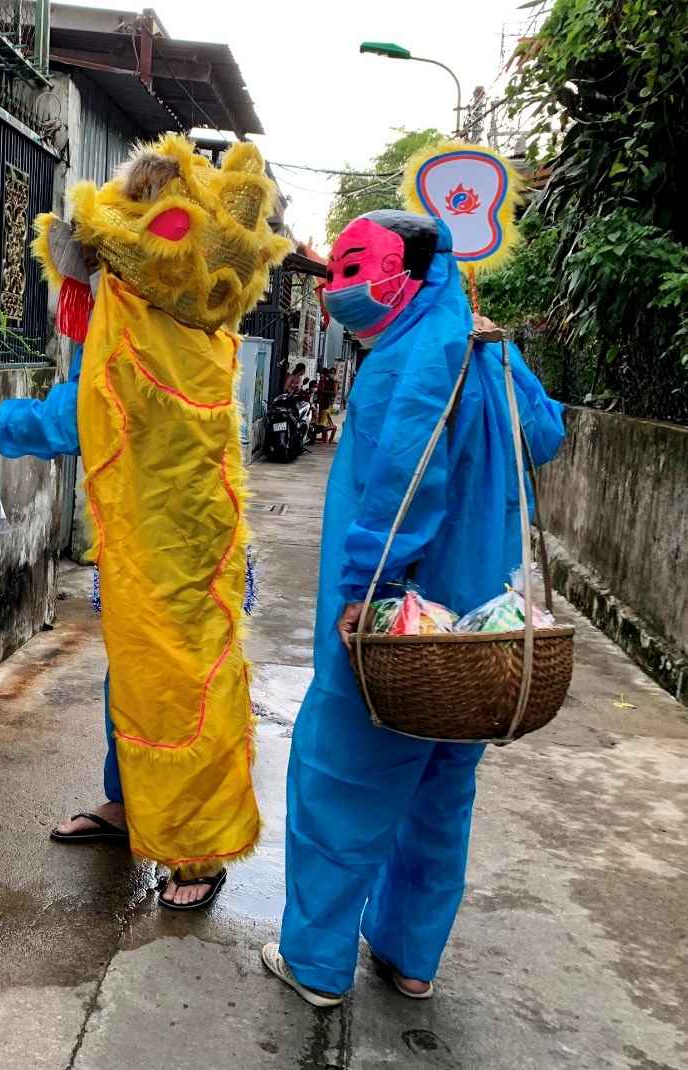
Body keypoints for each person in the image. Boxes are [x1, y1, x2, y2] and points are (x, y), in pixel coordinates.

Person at [0, 135, 291, 909]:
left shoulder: (182, 318)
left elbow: (90, 412)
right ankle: (128, 802)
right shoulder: (143, 308)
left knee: (185, 686)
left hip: (188, 540)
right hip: (138, 537)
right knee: (134, 679)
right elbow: (92, 405)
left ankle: (196, 849)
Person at [261, 211, 565, 1005]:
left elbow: (402, 485)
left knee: (341, 783)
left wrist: (367, 588)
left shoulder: (412, 357)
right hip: (477, 632)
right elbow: (545, 437)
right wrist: (506, 352)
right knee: (440, 790)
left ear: (408, 271)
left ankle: (317, 963)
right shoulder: (484, 349)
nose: (336, 287)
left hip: (397, 623)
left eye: (351, 266)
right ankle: (409, 956)